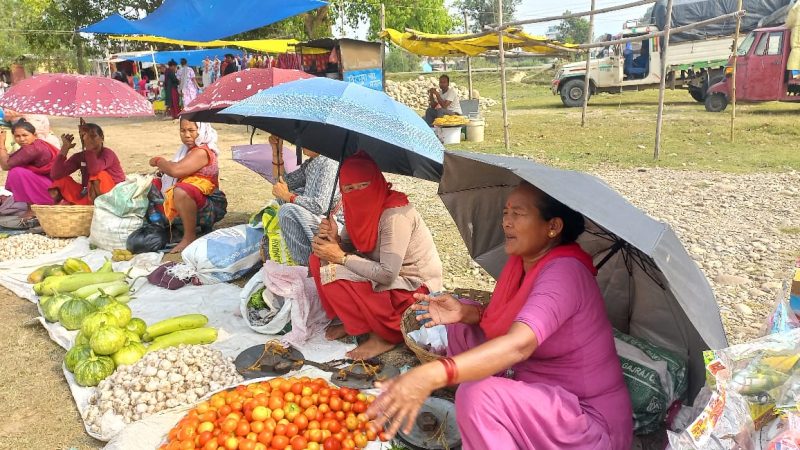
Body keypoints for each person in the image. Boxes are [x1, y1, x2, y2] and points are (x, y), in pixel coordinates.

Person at [366, 181, 633, 450]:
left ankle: (491, 418)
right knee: (462, 328)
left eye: (518, 213)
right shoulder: (522, 264)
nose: (506, 222)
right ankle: (493, 425)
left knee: (477, 396)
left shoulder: (565, 274)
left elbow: (519, 344)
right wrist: (465, 312)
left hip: (585, 421)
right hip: (539, 392)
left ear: (553, 226)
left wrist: (432, 374)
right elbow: (503, 320)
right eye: (506, 212)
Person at [309, 151, 443, 360]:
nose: (357, 193)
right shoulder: (354, 208)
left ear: (377, 181)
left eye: (364, 185)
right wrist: (334, 239)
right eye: (349, 188)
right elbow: (348, 246)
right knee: (319, 259)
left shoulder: (395, 215)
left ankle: (384, 336)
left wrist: (341, 257)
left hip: (414, 289)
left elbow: (387, 274)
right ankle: (356, 324)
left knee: (335, 272)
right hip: (382, 273)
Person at [148, 119, 226, 253]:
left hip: (210, 204)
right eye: (182, 131)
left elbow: (176, 170)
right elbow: (175, 169)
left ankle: (189, 237)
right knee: (154, 184)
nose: (187, 135)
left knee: (182, 191)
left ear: (202, 131)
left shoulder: (202, 151)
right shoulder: (187, 151)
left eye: (191, 130)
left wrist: (158, 161)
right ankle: (165, 225)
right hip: (197, 198)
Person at [268, 135, 340, 266]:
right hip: (317, 220)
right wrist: (277, 152)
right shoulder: (311, 163)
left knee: (287, 210)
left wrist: (289, 196)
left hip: (332, 225)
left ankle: (306, 266)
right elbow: (283, 183)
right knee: (282, 200)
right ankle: (310, 261)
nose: (299, 143)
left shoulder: (329, 163)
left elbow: (320, 206)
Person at [49, 123, 126, 205]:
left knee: (99, 175)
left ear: (102, 138)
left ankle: (97, 207)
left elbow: (94, 170)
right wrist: (65, 148)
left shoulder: (108, 154)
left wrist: (89, 147)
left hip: (112, 196)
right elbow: (55, 174)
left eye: (93, 136)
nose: (89, 139)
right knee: (61, 180)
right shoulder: (81, 156)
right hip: (90, 194)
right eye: (85, 136)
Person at [0, 119, 58, 221]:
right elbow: (11, 159)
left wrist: (1, 143)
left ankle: (33, 208)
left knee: (16, 172)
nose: (21, 139)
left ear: (34, 135)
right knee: (18, 170)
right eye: (17, 136)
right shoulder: (35, 144)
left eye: (25, 135)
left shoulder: (31, 149)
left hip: (53, 191)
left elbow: (6, 165)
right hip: (53, 187)